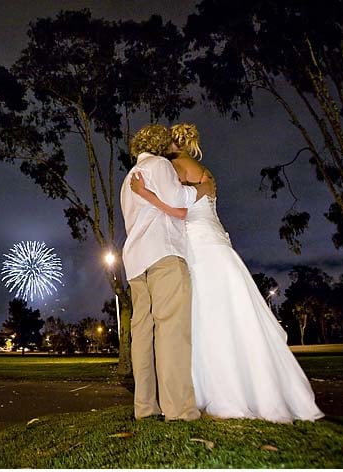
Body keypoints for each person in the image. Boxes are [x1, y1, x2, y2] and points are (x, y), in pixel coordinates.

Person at [130, 123, 324, 423]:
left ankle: (209, 391)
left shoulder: (175, 166)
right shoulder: (202, 170)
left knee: (203, 317)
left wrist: (144, 192)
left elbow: (177, 207)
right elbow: (198, 199)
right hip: (214, 241)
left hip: (196, 246)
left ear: (173, 145)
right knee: (224, 314)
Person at [119, 124, 215, 422]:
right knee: (172, 332)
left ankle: (145, 407)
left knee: (143, 336)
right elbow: (178, 201)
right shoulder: (159, 165)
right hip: (162, 255)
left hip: (135, 263)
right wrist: (201, 188)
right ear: (160, 144)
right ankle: (179, 410)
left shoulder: (127, 180)